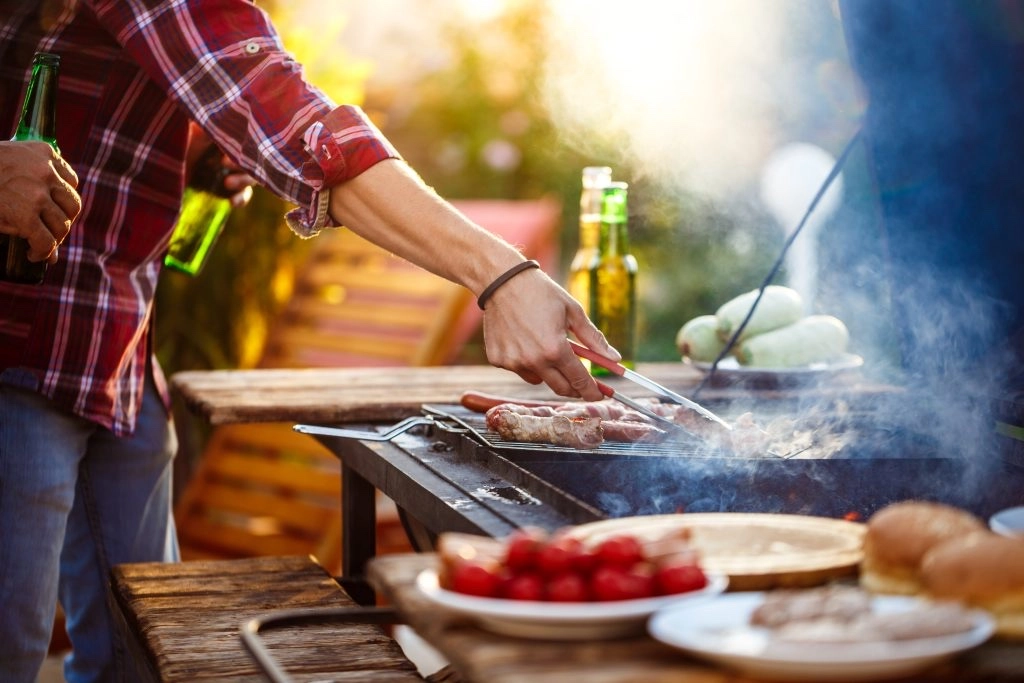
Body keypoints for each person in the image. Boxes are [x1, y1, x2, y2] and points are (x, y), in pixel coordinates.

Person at [0, 2, 617, 681]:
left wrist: (196, 152)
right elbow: (295, 122)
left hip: (112, 343)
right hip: (22, 340)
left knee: (144, 658)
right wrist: (501, 274)